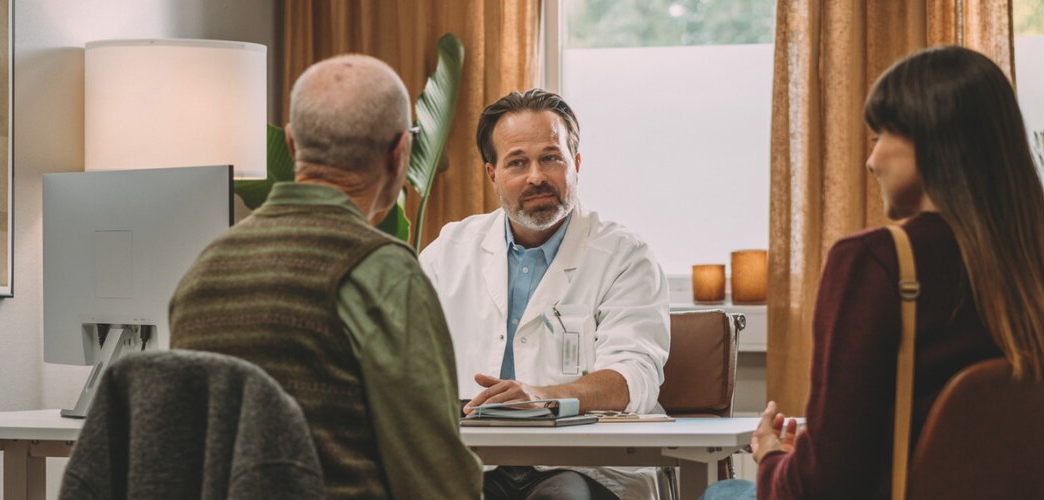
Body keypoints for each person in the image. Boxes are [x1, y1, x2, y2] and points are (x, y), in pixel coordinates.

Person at [709, 45, 1044, 499]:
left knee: (721, 494)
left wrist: (772, 457)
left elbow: (820, 490)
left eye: (880, 136)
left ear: (929, 140)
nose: (871, 160)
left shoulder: (876, 262)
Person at [169, 54, 482, 499]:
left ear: (293, 145)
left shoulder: (203, 270)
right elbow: (436, 479)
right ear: (399, 154)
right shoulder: (382, 271)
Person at [418, 89, 671, 500]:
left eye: (551, 157)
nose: (536, 175)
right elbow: (403, 360)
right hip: (471, 460)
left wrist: (542, 397)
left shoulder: (625, 256)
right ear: (492, 174)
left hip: (581, 465)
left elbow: (633, 377)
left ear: (577, 164)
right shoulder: (449, 250)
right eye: (517, 162)